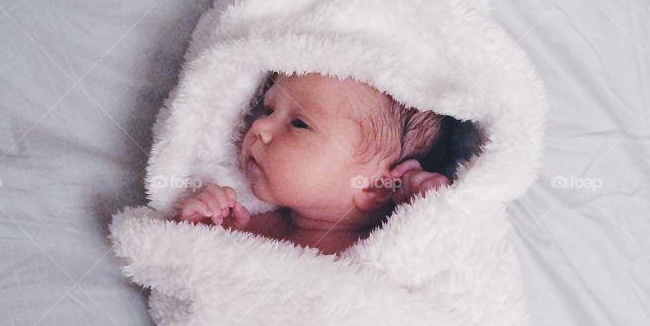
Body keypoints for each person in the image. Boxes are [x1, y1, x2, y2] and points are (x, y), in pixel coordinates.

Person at [173, 70, 454, 256]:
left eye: (299, 123)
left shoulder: (390, 250)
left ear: (380, 184)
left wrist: (435, 210)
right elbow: (199, 273)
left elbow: (451, 268)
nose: (260, 126)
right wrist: (201, 228)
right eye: (269, 109)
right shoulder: (247, 228)